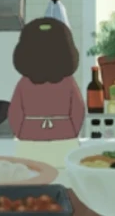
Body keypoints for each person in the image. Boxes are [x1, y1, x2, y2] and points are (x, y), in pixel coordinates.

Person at [8, 17, 85, 168]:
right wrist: (68, 131)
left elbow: (14, 113)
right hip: (64, 140)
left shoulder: (24, 83)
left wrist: (23, 133)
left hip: (29, 141)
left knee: (30, 179)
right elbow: (78, 111)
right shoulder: (69, 82)